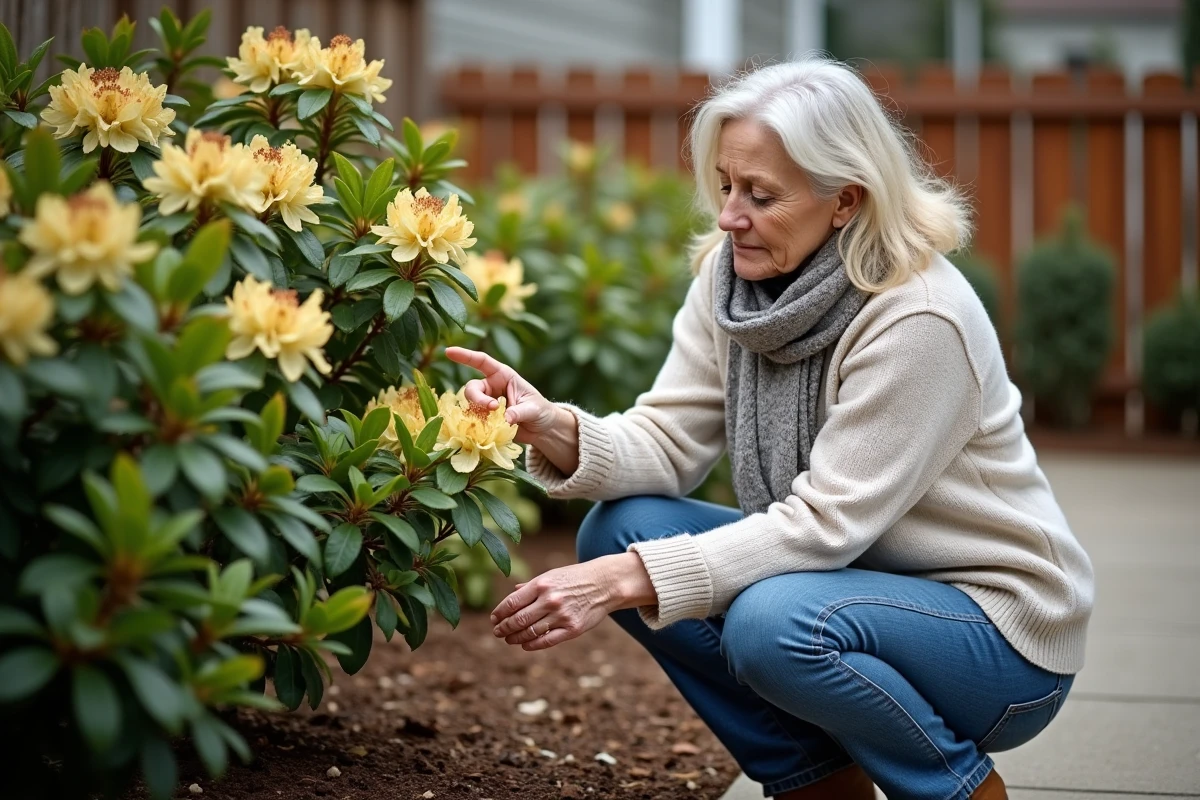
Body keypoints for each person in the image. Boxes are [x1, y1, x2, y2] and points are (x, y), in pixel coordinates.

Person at [445, 57, 1093, 800]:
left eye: (761, 195)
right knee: (620, 528)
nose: (728, 215)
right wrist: (549, 425)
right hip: (852, 598)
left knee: (768, 622)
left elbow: (827, 523)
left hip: (996, 639)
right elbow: (668, 442)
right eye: (726, 185)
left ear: (845, 200)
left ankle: (955, 790)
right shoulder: (733, 283)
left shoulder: (919, 315)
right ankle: (819, 780)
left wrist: (628, 582)